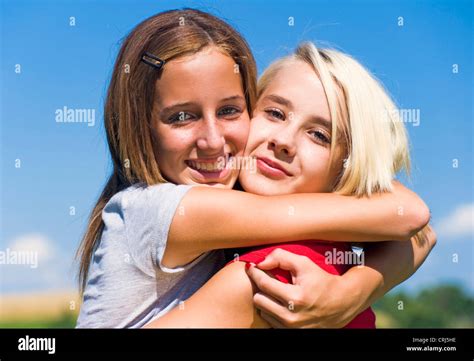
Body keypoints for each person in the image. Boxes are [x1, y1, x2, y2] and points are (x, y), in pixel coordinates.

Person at [75, 9, 433, 328]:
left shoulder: (294, 253)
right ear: (140, 128)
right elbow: (412, 216)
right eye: (275, 113)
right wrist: (356, 290)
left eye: (320, 135)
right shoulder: (168, 211)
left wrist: (354, 288)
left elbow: (418, 228)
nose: (213, 141)